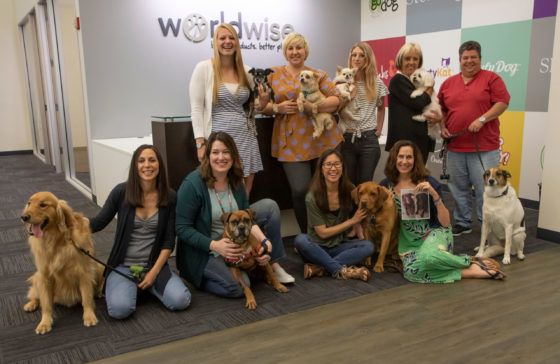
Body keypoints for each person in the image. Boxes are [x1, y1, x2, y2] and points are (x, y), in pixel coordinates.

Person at [175, 131, 294, 298]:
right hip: (206, 247)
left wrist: (264, 242)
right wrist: (215, 246)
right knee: (237, 288)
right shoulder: (193, 184)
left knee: (270, 206)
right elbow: (181, 228)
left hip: (234, 237)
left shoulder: (236, 180)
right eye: (215, 152)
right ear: (207, 155)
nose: (221, 157)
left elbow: (248, 219)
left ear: (233, 155)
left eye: (226, 152)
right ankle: (198, 277)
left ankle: (272, 263)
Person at [380, 140, 506, 283]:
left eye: (409, 157)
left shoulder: (428, 182)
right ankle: (469, 270)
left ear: (415, 160)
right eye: (400, 156)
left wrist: (434, 195)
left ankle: (468, 261)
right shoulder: (385, 186)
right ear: (394, 159)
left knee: (429, 257)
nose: (404, 161)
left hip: (435, 233)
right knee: (411, 271)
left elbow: (445, 223)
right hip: (408, 243)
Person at [89, 145, 191, 319]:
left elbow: (168, 241)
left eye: (152, 160)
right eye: (141, 161)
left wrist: (153, 273)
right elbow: (97, 223)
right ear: (135, 166)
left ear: (159, 165)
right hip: (123, 266)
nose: (147, 165)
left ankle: (148, 284)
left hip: (153, 266)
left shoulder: (170, 196)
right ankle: (141, 288)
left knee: (181, 300)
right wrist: (65, 222)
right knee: (119, 310)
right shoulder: (121, 192)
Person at [258, 32, 342, 233]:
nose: (295, 52)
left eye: (299, 48)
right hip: (290, 142)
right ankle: (308, 236)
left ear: (306, 51)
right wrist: (277, 108)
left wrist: (313, 106)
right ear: (285, 52)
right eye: (290, 48)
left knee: (326, 188)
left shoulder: (317, 74)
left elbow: (337, 100)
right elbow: (263, 106)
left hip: (321, 138)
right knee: (300, 190)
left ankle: (330, 233)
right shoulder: (272, 75)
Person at [438, 40, 510, 237]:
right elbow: (441, 110)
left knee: (485, 188)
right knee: (457, 188)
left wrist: (482, 118)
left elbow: (503, 103)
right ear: (460, 60)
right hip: (455, 147)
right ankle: (462, 222)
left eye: (473, 57)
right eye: (465, 58)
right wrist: (442, 126)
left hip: (484, 147)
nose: (469, 61)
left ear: (480, 59)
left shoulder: (491, 79)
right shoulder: (448, 83)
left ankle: (489, 223)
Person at [189, 23, 262, 196]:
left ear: (237, 42)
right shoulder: (204, 68)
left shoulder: (247, 71)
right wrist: (200, 143)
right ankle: (220, 223)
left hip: (246, 137)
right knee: (219, 186)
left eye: (231, 38)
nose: (227, 42)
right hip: (218, 139)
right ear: (215, 42)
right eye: (222, 38)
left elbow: (256, 106)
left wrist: (263, 101)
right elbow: (196, 109)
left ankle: (241, 219)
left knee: (245, 187)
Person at [293, 149, 373, 281]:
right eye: (328, 164)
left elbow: (363, 205)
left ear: (342, 167)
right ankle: (340, 270)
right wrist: (352, 221)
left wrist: (359, 224)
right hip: (317, 247)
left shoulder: (349, 189)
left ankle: (320, 268)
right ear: (321, 169)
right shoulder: (311, 197)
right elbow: (323, 233)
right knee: (300, 240)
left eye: (337, 164)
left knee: (368, 246)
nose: (333, 168)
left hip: (339, 246)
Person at [339, 42, 388, 185]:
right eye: (354, 55)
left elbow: (381, 107)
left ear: (368, 59)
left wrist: (378, 129)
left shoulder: (376, 83)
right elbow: (336, 108)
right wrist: (350, 95)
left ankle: (364, 209)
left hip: (369, 140)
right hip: (347, 137)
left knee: (365, 184)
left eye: (361, 55)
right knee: (349, 184)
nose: (357, 58)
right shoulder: (342, 81)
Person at [386, 43, 435, 165]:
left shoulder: (418, 80)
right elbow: (419, 102)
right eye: (407, 59)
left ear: (419, 62)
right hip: (403, 144)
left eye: (415, 59)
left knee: (418, 181)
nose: (411, 62)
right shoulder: (398, 80)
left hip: (420, 141)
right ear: (400, 61)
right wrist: (429, 89)